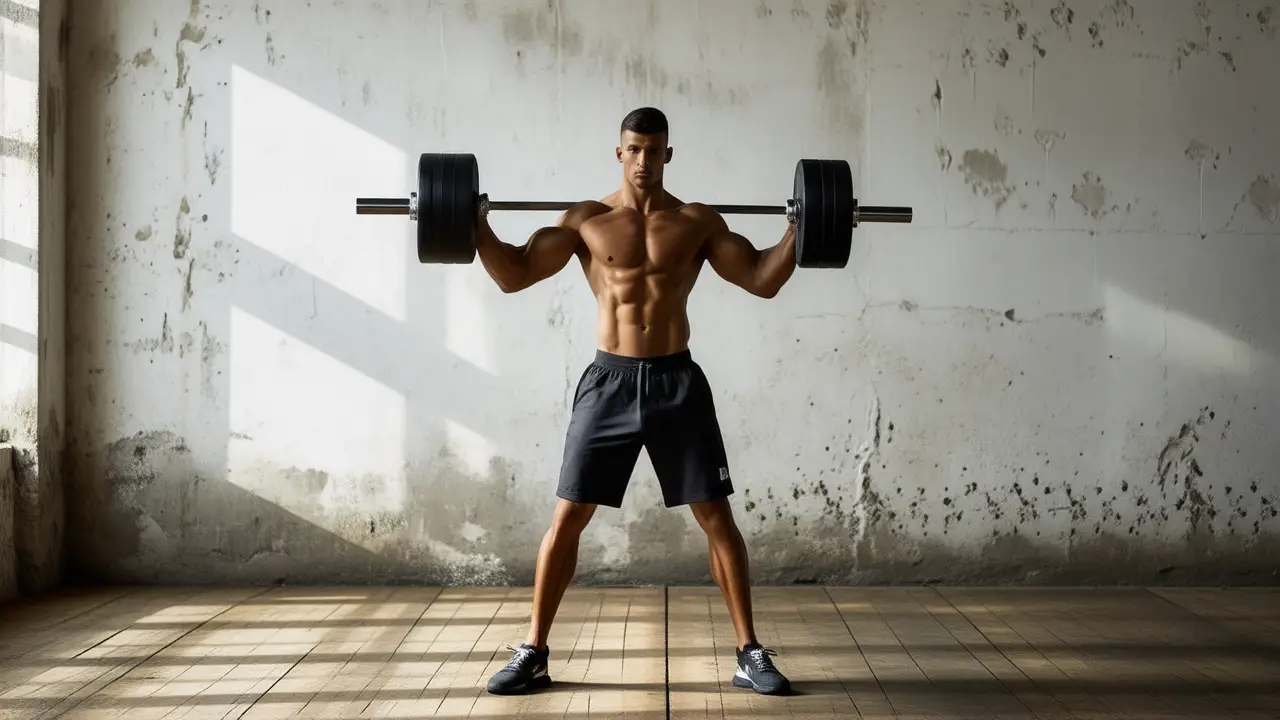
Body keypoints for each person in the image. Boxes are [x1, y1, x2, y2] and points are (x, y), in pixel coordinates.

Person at [475, 107, 796, 697]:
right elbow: (514, 274)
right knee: (568, 517)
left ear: (668, 154)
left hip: (678, 382)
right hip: (609, 383)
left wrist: (801, 228)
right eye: (634, 150)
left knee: (716, 517)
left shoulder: (697, 222)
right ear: (618, 153)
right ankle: (534, 651)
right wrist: (473, 225)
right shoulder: (586, 222)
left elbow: (760, 278)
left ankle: (750, 652)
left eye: (654, 150)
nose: (644, 160)